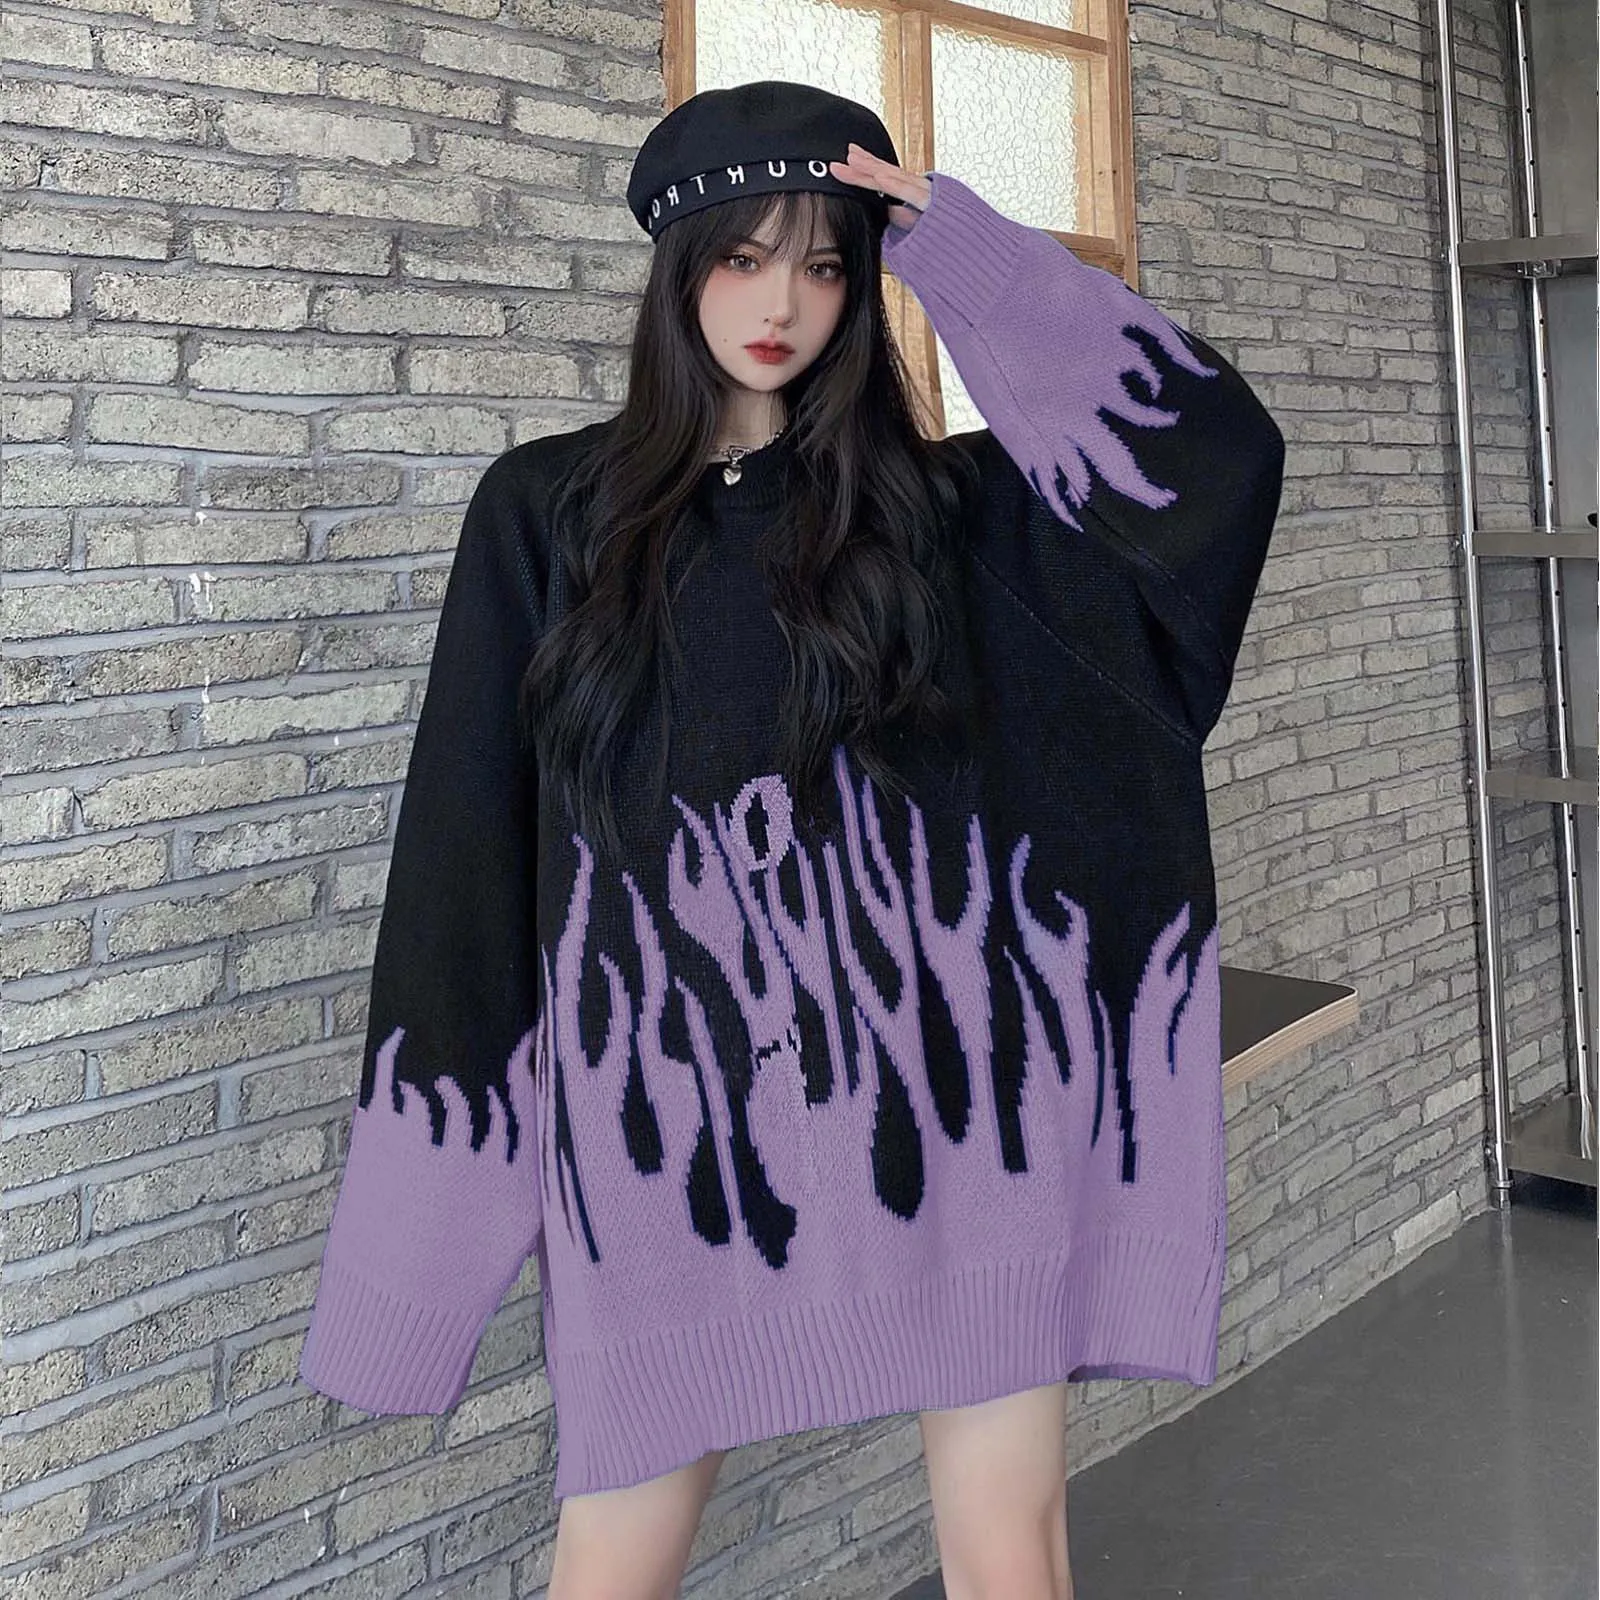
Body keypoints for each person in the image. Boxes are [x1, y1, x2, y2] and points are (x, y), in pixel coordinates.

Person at [297, 79, 1286, 1600]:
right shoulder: (549, 515)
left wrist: (950, 245)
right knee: (612, 1564)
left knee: (1009, 1556)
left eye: (826, 264)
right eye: (744, 258)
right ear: (678, 268)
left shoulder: (957, 516)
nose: (782, 306)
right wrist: (416, 1260)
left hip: (966, 1137)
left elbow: (1208, 454)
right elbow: (464, 867)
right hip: (671, 1156)